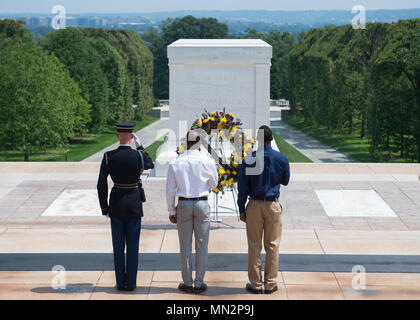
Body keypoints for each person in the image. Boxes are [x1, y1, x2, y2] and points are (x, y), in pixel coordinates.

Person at [97, 122, 154, 291]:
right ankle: (131, 283)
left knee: (118, 245)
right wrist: (140, 145)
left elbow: (101, 184)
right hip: (134, 204)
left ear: (117, 136)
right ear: (131, 136)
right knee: (133, 245)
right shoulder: (138, 156)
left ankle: (120, 282)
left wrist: (104, 207)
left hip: (116, 204)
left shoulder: (109, 156)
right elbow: (150, 164)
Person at [237, 125, 290, 294]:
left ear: (258, 140)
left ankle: (255, 284)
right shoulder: (281, 158)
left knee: (254, 246)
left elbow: (243, 187)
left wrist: (241, 208)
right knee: (272, 245)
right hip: (272, 205)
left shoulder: (249, 159)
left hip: (254, 205)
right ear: (271, 139)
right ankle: (270, 283)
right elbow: (285, 180)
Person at [166, 130, 218, 294]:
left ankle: (187, 282)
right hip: (202, 204)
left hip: (184, 205)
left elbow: (170, 190)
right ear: (199, 143)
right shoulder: (207, 160)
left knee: (185, 245)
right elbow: (214, 183)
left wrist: (171, 210)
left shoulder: (176, 162)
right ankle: (199, 282)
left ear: (186, 143)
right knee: (202, 245)